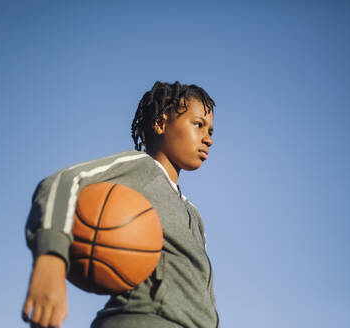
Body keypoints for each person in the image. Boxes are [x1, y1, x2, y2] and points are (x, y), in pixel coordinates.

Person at [22, 81, 219, 328]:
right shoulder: (140, 167)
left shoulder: (194, 216)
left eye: (210, 131)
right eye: (198, 125)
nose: (208, 139)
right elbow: (63, 182)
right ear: (160, 123)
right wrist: (51, 259)